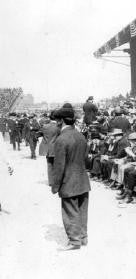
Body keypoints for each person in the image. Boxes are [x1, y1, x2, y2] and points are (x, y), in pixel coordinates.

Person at [51, 105, 91, 251]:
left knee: (70, 211)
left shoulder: (61, 139)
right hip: (83, 180)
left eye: (57, 120)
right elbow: (86, 159)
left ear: (60, 121)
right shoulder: (81, 136)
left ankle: (74, 241)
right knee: (82, 210)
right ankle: (83, 237)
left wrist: (55, 186)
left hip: (69, 182)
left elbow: (59, 166)